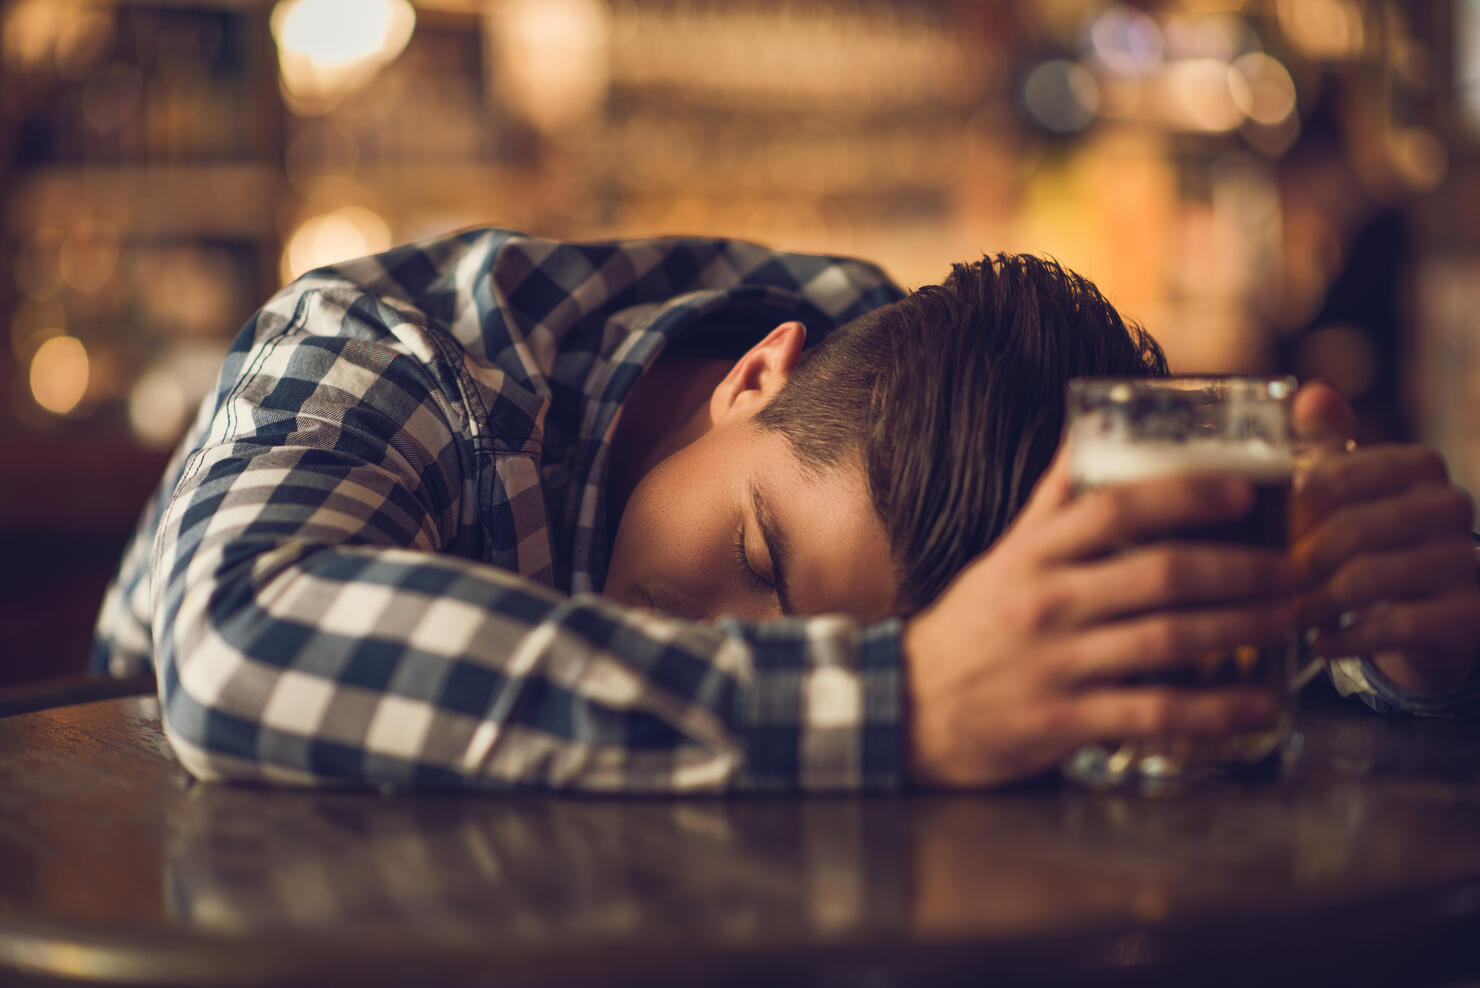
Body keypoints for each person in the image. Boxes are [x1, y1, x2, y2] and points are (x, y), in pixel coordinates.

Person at [92, 230, 1480, 791]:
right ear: (757, 377)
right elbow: (233, 653)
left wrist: (1378, 622)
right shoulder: (387, 348)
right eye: (758, 554)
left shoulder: (960, 396)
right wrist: (910, 699)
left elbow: (1198, 538)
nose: (731, 627)